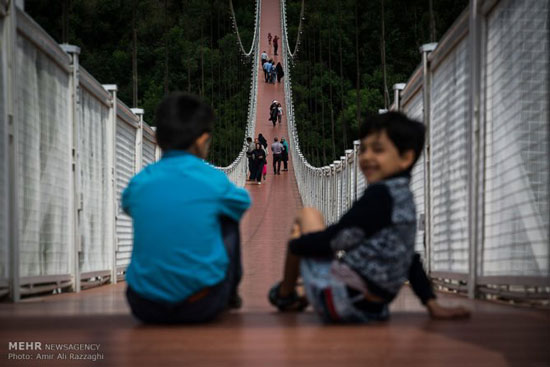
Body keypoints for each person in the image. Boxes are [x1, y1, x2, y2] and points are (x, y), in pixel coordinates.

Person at [268, 112, 470, 322]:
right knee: (312, 241)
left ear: (406, 158)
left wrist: (296, 246)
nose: (366, 157)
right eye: (363, 149)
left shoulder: (378, 196)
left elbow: (337, 239)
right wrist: (432, 303)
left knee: (305, 220)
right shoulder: (404, 199)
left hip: (340, 303)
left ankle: (286, 295)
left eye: (378, 150)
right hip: (373, 310)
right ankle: (300, 292)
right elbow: (409, 257)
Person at [123, 93, 251, 324]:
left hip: (144, 305)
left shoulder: (140, 182)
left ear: (159, 139)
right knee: (226, 217)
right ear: (202, 140)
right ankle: (230, 294)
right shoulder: (213, 181)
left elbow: (129, 204)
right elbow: (242, 203)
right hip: (200, 304)